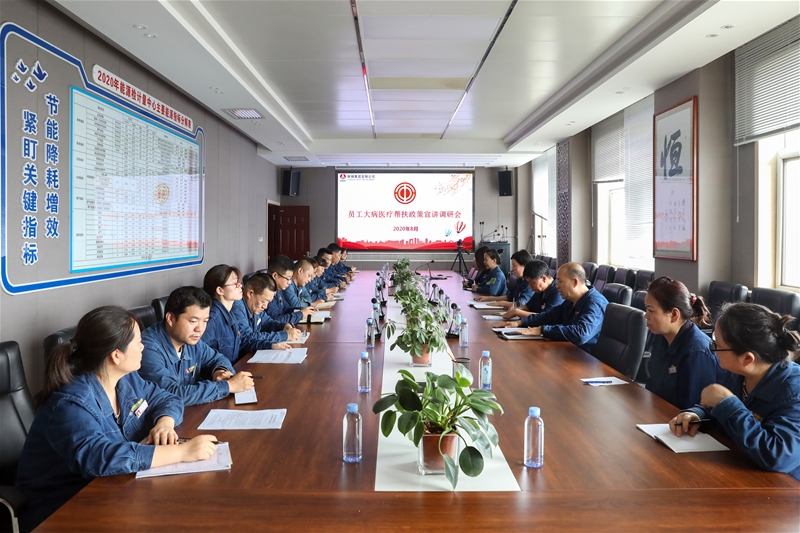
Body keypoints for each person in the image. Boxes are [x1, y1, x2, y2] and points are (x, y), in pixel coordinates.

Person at [16, 306, 218, 531]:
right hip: (63, 509)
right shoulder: (71, 404)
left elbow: (166, 398)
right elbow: (99, 457)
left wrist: (165, 422)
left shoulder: (127, 379)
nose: (143, 346)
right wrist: (182, 452)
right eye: (138, 342)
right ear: (116, 355)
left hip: (116, 490)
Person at [670, 303, 800, 481]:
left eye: (717, 345)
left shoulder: (794, 392)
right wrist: (698, 414)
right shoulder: (739, 373)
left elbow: (777, 456)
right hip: (738, 467)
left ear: (747, 358)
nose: (712, 348)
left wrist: (727, 404)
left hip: (779, 486)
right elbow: (720, 411)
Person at [140, 286, 254, 406]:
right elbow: (171, 394)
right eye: (193, 321)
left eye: (205, 321)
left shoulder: (191, 340)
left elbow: (217, 358)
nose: (200, 329)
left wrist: (220, 371)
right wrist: (227, 386)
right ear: (171, 318)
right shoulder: (148, 348)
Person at [494, 262, 607, 354]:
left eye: (560, 281)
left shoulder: (595, 303)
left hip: (584, 359)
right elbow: (548, 316)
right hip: (567, 350)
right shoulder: (570, 301)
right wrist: (520, 322)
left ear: (575, 282)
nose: (557, 285)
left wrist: (542, 330)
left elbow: (581, 333)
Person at [644, 277, 719, 409]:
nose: (646, 315)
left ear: (674, 314)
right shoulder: (661, 337)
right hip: (659, 413)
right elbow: (653, 386)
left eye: (651, 310)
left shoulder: (696, 351)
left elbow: (693, 408)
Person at [233, 273, 297, 353]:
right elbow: (247, 338)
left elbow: (268, 323)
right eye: (263, 301)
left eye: (268, 302)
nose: (265, 306)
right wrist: (284, 335)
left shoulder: (255, 306)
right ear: (250, 293)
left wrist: (284, 326)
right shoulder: (237, 306)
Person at [201, 264, 244, 363]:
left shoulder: (230, 312)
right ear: (220, 290)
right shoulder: (212, 318)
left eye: (239, 282)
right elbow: (200, 354)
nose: (240, 286)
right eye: (235, 283)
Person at [267, 255, 317, 324]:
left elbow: (285, 308)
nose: (289, 282)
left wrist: (302, 310)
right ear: (275, 275)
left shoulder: (279, 290)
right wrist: (301, 314)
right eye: (287, 278)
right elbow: (276, 319)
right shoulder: (266, 293)